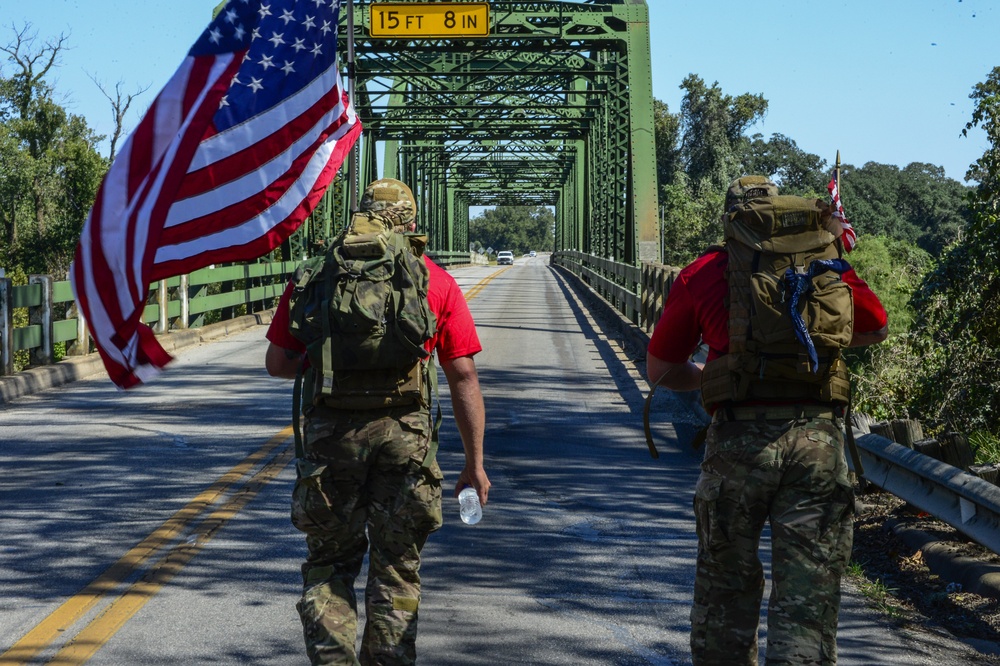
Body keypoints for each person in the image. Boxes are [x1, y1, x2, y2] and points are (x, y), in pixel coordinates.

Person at [646, 176, 889, 666]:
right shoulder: (826, 262)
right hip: (817, 442)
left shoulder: (704, 272)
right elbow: (876, 326)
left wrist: (719, 374)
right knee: (807, 596)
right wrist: (814, 348)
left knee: (725, 589)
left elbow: (662, 369)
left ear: (729, 219)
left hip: (738, 442)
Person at [265, 178, 491, 665]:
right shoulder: (434, 281)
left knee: (328, 567)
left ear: (362, 215)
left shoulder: (316, 277)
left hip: (330, 445)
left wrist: (330, 356)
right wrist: (474, 464)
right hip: (405, 447)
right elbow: (463, 376)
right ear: (411, 223)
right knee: (396, 573)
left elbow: (278, 365)